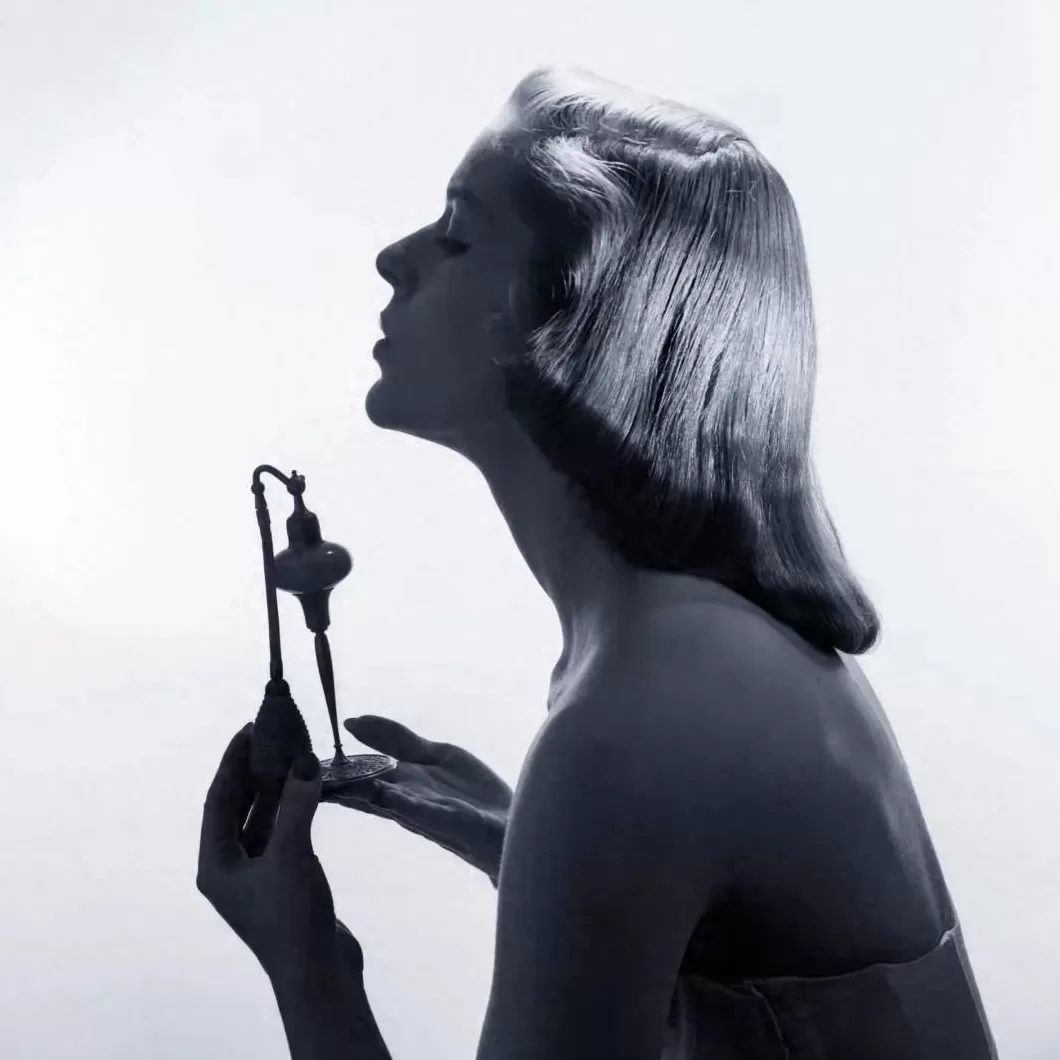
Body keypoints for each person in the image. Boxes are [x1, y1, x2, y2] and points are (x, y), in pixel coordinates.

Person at [197, 66, 999, 1058]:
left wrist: (308, 961)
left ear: (561, 314)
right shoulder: (709, 650)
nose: (391, 259)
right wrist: (525, 849)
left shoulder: (633, 720)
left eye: (457, 233)